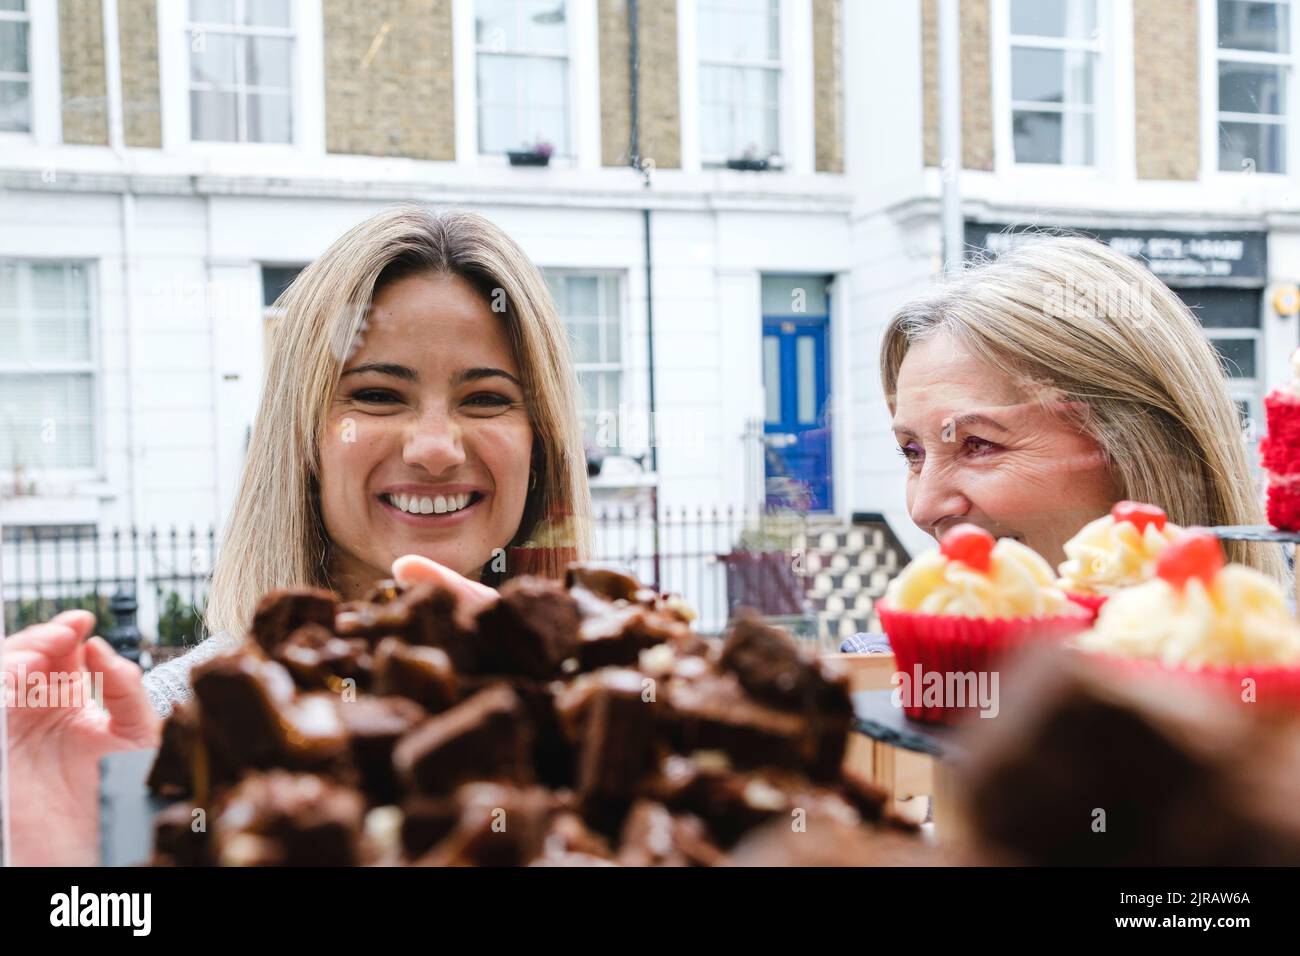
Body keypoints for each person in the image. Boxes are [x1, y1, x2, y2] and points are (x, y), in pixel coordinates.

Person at [2, 205, 593, 864]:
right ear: (305, 438)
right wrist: (85, 859)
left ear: (540, 448)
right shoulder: (163, 731)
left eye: (486, 399)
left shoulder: (608, 723)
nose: (434, 448)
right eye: (375, 396)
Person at [842, 234, 1282, 653]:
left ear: (1142, 450)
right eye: (912, 453)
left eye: (978, 444)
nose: (924, 508)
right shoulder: (882, 690)